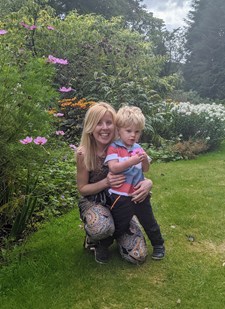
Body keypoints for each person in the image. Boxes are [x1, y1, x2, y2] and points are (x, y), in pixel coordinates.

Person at [76, 102, 153, 264]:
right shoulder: (84, 153)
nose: (104, 127)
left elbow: (139, 172)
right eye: (99, 123)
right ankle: (96, 239)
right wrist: (106, 182)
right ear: (90, 126)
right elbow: (82, 189)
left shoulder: (124, 146)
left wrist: (148, 183)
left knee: (137, 256)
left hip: (121, 204)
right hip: (94, 201)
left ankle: (120, 233)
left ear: (116, 126)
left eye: (109, 122)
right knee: (101, 227)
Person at [104, 106, 165, 260]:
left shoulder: (138, 148)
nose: (133, 135)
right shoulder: (114, 148)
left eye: (137, 132)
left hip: (139, 193)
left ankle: (158, 245)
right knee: (119, 224)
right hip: (121, 196)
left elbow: (146, 169)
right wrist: (131, 161)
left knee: (149, 220)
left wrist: (144, 160)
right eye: (129, 131)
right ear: (119, 130)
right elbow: (114, 167)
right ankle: (103, 244)